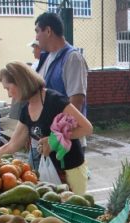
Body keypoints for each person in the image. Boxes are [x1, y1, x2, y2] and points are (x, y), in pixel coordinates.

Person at [0, 61, 92, 195]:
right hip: (49, 173)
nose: (9, 95)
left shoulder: (55, 100)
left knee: (72, 206)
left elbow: (87, 128)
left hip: (71, 171)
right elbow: (13, 145)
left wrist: (55, 139)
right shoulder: (26, 110)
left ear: (20, 82)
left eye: (8, 88)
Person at [34, 12, 88, 152]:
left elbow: (76, 102)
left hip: (65, 143)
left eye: (37, 31)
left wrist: (55, 139)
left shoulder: (72, 58)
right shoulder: (46, 57)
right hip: (46, 139)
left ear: (48, 31)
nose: (36, 37)